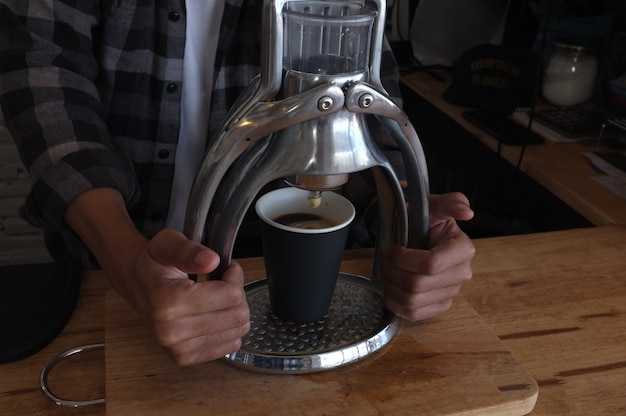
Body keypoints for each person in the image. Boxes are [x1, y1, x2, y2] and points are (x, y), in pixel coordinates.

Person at [0, 0, 475, 366]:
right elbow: (46, 84)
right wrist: (128, 264)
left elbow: (366, 110)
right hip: (107, 275)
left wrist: (410, 220)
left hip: (259, 270)